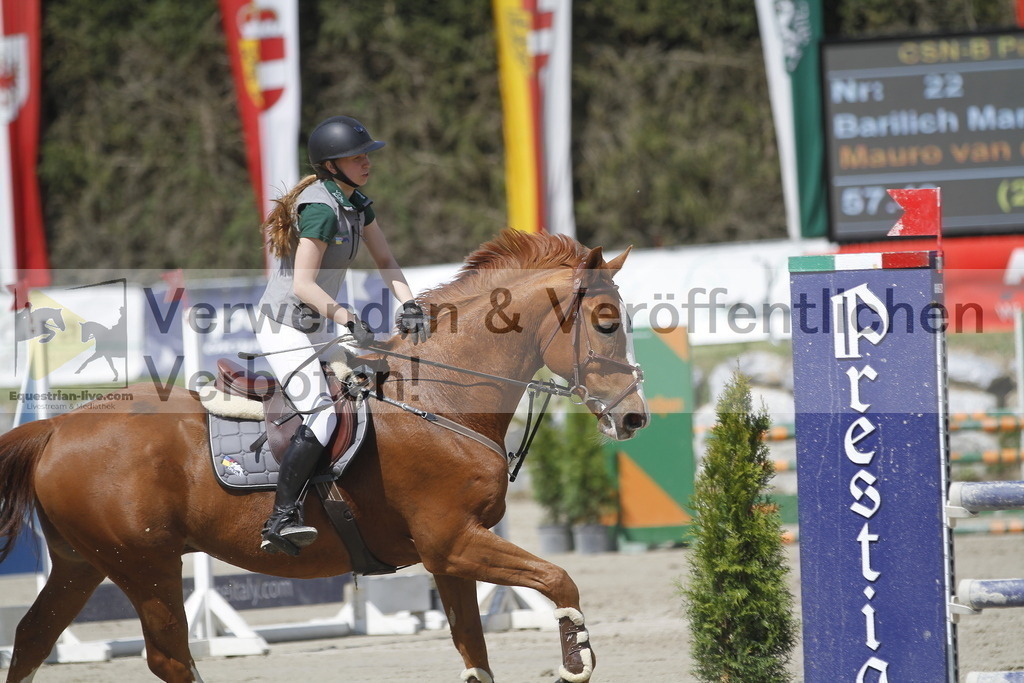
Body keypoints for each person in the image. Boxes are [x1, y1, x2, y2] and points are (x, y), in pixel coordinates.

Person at [255, 115, 430, 555]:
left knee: (381, 386)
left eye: (367, 154)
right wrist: (348, 316)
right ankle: (280, 518)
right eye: (357, 156)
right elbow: (302, 285)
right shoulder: (319, 208)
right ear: (331, 166)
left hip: (315, 326)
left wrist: (409, 302)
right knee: (321, 413)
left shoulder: (356, 203)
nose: (366, 162)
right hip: (283, 326)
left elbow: (386, 259)